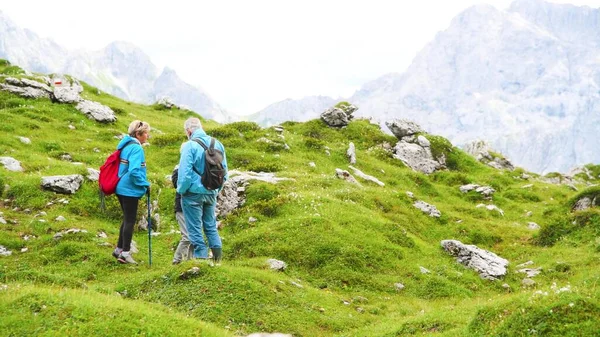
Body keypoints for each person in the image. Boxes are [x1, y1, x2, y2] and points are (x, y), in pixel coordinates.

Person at [177, 117, 227, 265]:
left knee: (194, 228)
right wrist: (216, 190)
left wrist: (182, 190)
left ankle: (201, 260)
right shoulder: (217, 144)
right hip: (211, 192)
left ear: (189, 131)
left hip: (192, 193)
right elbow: (225, 172)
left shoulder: (190, 145)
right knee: (211, 225)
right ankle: (218, 261)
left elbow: (184, 174)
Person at [112, 120, 151, 264]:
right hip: (129, 189)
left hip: (120, 187)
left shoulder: (125, 145)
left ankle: (119, 249)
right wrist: (145, 183)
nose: (147, 136)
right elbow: (134, 171)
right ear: (138, 134)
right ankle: (125, 254)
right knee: (130, 220)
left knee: (126, 218)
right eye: (146, 133)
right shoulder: (136, 148)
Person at [171, 164, 193, 264]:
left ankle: (190, 260)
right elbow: (177, 184)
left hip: (193, 207)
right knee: (187, 236)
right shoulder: (179, 169)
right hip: (181, 208)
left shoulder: (195, 167)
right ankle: (177, 260)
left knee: (194, 236)